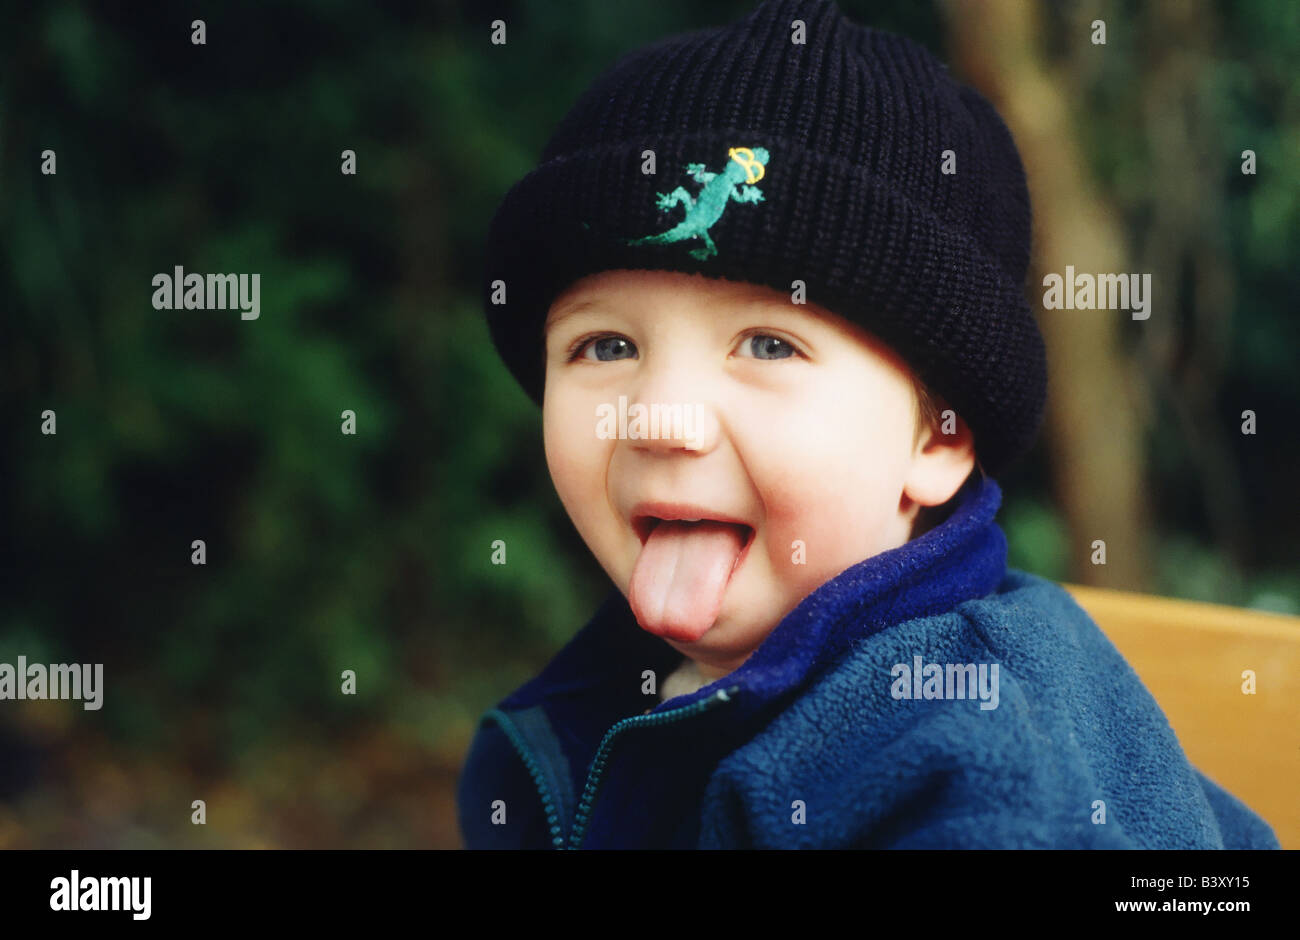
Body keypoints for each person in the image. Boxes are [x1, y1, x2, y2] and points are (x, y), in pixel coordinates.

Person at [457, 0, 1280, 849]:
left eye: (769, 344)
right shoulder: (601, 698)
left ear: (939, 438)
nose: (662, 419)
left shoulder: (972, 745)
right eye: (607, 345)